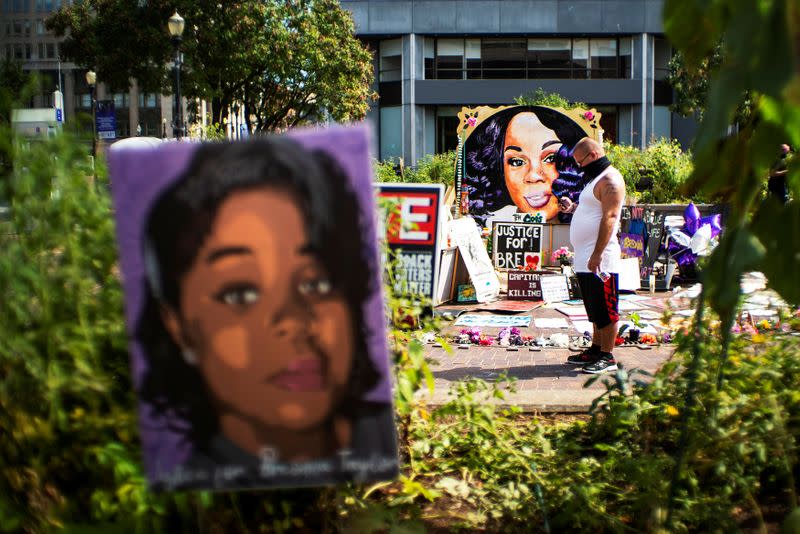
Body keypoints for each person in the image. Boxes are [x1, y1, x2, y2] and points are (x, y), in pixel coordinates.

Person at [136, 138, 397, 490]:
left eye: (317, 283)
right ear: (178, 326)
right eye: (241, 293)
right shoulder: (193, 495)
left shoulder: (384, 441)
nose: (293, 320)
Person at [559, 137, 626, 374]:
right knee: (594, 307)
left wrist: (597, 253)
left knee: (606, 309)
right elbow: (593, 210)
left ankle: (607, 356)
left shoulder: (610, 180)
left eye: (581, 162)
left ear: (594, 155)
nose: (579, 167)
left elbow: (610, 218)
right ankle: (596, 348)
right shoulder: (595, 180)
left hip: (602, 257)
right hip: (586, 257)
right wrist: (573, 208)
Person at [463, 105, 587, 226]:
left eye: (551, 158)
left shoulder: (588, 221)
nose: (533, 176)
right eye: (517, 162)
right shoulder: (493, 224)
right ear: (500, 169)